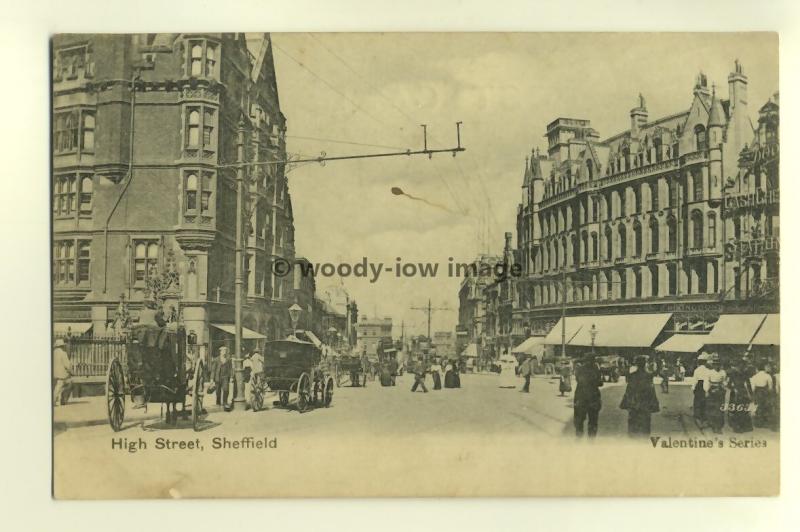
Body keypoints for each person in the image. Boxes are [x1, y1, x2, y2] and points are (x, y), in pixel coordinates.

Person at [620, 356, 660, 436]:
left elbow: (629, 391)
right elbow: (651, 391)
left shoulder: (632, 376)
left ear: (637, 364)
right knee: (645, 429)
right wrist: (655, 405)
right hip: (645, 406)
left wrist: (625, 404)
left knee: (633, 429)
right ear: (645, 364)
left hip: (634, 406)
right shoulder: (649, 376)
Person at [573, 355, 603, 437]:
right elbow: (600, 383)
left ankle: (579, 437)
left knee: (579, 419)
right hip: (593, 397)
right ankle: (591, 439)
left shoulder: (580, 369)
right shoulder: (596, 369)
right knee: (593, 420)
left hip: (580, 396)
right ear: (593, 361)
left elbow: (577, 379)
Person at [727, 358, 753, 433]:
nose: (741, 367)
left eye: (743, 365)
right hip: (735, 392)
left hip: (742, 392)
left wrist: (750, 394)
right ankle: (737, 427)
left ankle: (743, 426)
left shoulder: (745, 373)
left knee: (743, 409)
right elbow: (729, 385)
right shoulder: (733, 373)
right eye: (740, 365)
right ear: (738, 365)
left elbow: (748, 384)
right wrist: (734, 388)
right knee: (735, 409)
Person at [704, 355, 726, 434]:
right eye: (715, 364)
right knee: (711, 407)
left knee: (719, 408)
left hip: (720, 391)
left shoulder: (722, 372)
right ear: (713, 365)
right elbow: (706, 382)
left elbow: (724, 381)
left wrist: (724, 386)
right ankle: (712, 423)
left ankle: (718, 426)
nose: (717, 365)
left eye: (718, 364)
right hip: (712, 390)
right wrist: (706, 391)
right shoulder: (710, 372)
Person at [750, 362, 775, 429]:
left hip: (757, 392)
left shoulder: (754, 376)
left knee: (758, 406)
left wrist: (753, 395)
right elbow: (770, 387)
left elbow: (752, 388)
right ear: (763, 368)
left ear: (757, 369)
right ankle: (764, 422)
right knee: (765, 406)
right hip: (765, 392)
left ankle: (758, 423)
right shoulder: (767, 376)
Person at [692, 353, 711, 427]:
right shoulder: (708, 370)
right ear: (705, 362)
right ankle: (704, 418)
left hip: (699, 385)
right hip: (705, 385)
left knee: (697, 401)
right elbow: (708, 380)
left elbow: (695, 380)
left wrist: (693, 388)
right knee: (704, 402)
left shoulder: (697, 370)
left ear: (699, 362)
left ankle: (697, 417)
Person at [53, 338, 72, 406]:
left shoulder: (53, 353)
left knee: (57, 386)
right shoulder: (63, 353)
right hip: (62, 374)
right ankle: (61, 400)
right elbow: (67, 364)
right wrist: (70, 371)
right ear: (62, 346)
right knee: (68, 384)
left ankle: (57, 400)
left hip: (54, 373)